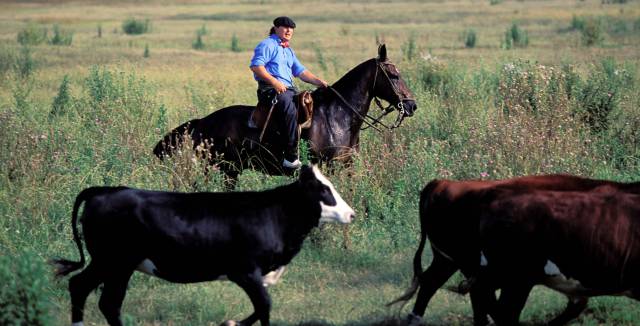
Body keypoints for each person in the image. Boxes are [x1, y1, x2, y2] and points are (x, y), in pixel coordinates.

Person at [250, 16, 328, 169]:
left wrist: (319, 82)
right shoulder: (268, 45)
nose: (288, 30)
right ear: (276, 28)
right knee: (290, 107)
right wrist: (274, 82)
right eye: (285, 27)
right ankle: (291, 156)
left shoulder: (288, 50)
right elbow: (256, 66)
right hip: (270, 90)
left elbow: (301, 72)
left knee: (310, 103)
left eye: (291, 28)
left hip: (288, 89)